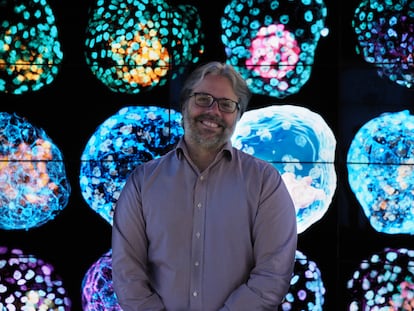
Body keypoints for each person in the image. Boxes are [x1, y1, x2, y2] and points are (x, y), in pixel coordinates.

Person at [111, 61, 297, 311]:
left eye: (226, 104)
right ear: (184, 103)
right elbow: (127, 274)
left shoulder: (265, 182)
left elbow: (272, 276)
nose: (214, 111)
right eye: (203, 99)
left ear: (238, 115)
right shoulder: (142, 183)